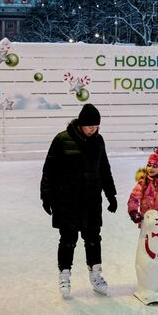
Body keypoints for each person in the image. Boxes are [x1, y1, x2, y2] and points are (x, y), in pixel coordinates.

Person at [40, 103, 117, 298]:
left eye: (97, 126)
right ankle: (64, 276)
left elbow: (104, 169)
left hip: (92, 200)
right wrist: (46, 195)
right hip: (67, 201)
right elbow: (49, 170)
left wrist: (111, 194)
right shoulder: (62, 139)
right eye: (91, 126)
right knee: (68, 240)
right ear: (81, 124)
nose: (94, 129)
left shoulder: (98, 141)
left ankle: (96, 275)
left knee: (93, 239)